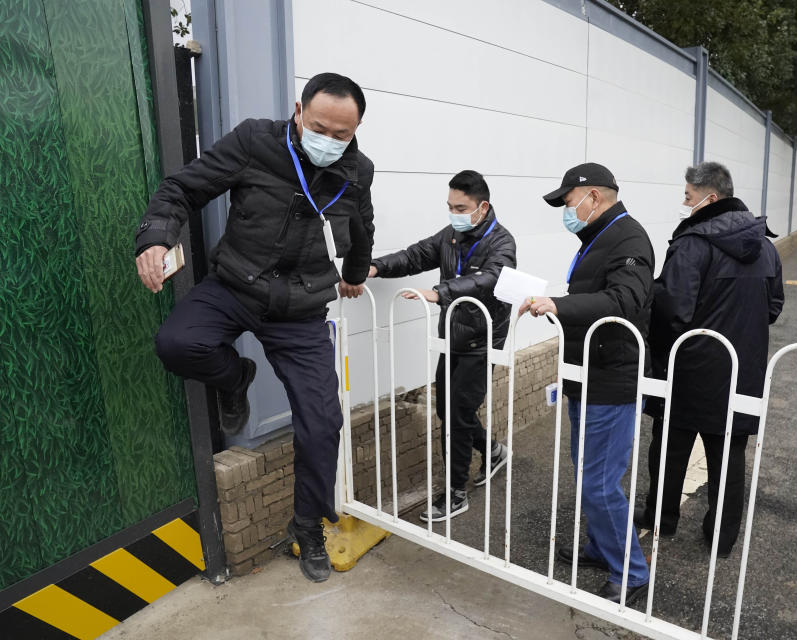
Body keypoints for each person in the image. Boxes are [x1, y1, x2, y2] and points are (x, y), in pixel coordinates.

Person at [134, 72, 375, 583]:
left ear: (355, 131)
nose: (330, 142)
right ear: (297, 110)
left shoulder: (358, 171)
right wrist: (156, 237)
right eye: (320, 128)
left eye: (343, 135)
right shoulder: (254, 141)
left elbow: (361, 229)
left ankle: (307, 526)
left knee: (321, 424)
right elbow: (184, 187)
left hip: (301, 311)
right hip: (235, 286)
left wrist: (354, 276)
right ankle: (235, 378)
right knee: (177, 343)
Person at [520, 162, 654, 605]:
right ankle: (602, 547)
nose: (565, 209)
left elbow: (625, 300)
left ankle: (631, 572)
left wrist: (557, 305)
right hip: (585, 374)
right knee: (587, 473)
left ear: (593, 197)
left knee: (599, 482)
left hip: (611, 380)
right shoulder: (599, 236)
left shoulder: (629, 237)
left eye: (568, 201)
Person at [639, 161, 784, 558]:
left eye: (688, 196)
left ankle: (660, 520)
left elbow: (672, 311)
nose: (685, 204)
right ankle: (721, 537)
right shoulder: (765, 246)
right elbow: (773, 307)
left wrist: (662, 353)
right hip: (742, 370)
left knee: (669, 447)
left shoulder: (692, 244)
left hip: (689, 369)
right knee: (729, 456)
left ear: (711, 198)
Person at [368, 170, 517, 522]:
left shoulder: (502, 242)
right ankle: (493, 452)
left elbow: (490, 279)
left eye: (461, 207)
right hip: (451, 336)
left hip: (482, 341)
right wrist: (373, 267)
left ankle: (455, 492)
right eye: (450, 206)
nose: (454, 213)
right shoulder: (450, 237)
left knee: (458, 415)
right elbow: (414, 256)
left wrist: (439, 294)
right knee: (449, 411)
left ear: (482, 207)